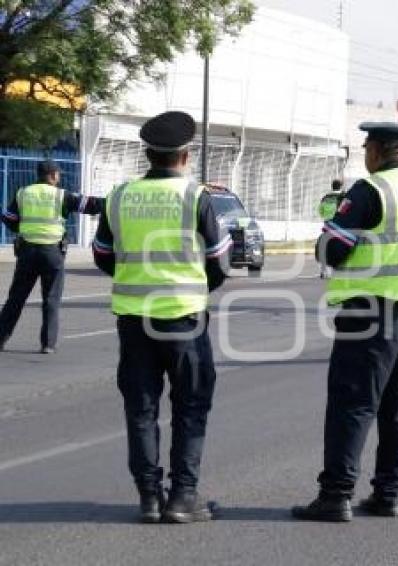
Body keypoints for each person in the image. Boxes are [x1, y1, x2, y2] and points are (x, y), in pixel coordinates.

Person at [293, 122, 398, 522]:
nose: (365, 155)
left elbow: (332, 249)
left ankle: (336, 495)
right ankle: (388, 494)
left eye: (366, 147)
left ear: (379, 151)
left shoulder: (372, 190)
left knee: (353, 404)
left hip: (369, 314)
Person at [92, 111, 231, 524]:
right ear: (185, 156)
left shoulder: (119, 196)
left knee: (141, 408)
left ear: (147, 154)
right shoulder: (195, 197)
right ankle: (183, 498)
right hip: (184, 320)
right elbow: (219, 262)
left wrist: (137, 277)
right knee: (191, 407)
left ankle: (150, 498)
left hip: (134, 321)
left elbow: (102, 255)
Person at [0, 160, 104, 353]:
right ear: (53, 175)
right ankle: (47, 344)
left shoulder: (23, 193)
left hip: (27, 252)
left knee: (16, 298)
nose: (59, 177)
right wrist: (112, 201)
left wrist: (21, 229)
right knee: (51, 299)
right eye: (58, 174)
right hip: (52, 253)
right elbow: (90, 205)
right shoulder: (61, 195)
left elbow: (7, 217)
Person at [317, 180, 346, 278]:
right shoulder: (343, 197)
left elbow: (320, 211)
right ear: (341, 186)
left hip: (327, 224)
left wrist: (326, 217)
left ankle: (323, 270)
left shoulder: (325, 198)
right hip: (338, 225)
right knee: (340, 247)